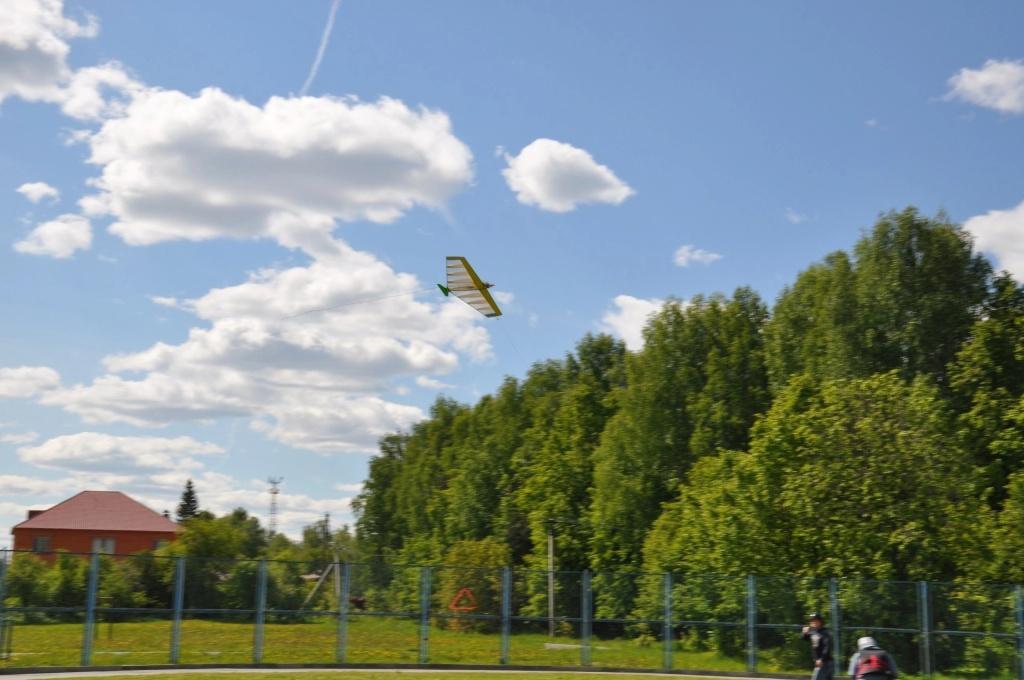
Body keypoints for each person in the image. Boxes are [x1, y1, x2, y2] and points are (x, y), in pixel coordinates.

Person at [802, 612, 834, 680]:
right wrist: (804, 633)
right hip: (820, 662)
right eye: (812, 620)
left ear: (820, 621)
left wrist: (821, 659)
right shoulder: (813, 631)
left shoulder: (825, 633)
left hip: (825, 662)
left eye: (815, 620)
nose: (813, 622)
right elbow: (805, 639)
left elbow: (827, 647)